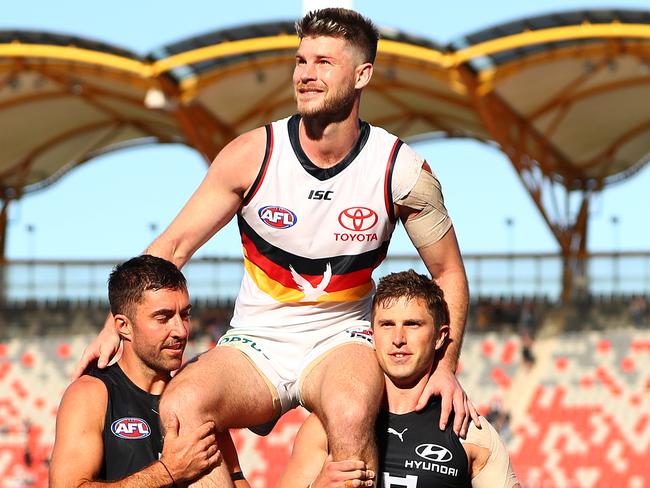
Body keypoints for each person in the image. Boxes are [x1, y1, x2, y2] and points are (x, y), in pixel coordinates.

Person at [73, 8, 475, 480]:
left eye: (324, 62)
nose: (306, 74)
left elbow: (448, 273)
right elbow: (174, 245)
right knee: (183, 403)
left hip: (340, 338)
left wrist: (446, 366)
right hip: (257, 342)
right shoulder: (252, 155)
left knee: (350, 411)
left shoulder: (400, 171)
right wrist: (110, 325)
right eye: (301, 61)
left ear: (362, 74)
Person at [280, 270, 520, 488]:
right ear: (371, 334)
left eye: (412, 324)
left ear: (440, 336)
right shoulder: (329, 424)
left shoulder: (470, 431)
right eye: (387, 324)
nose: (398, 338)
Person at [50, 255, 246, 487]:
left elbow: (236, 480)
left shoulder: (198, 398)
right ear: (124, 326)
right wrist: (167, 472)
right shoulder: (91, 394)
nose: (181, 331)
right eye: (163, 318)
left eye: (184, 315)